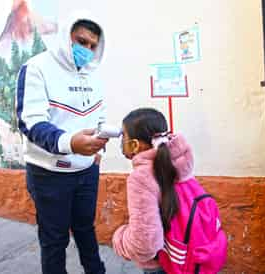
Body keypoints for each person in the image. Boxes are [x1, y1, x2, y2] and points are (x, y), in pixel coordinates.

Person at [15, 11, 107, 274]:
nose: (86, 50)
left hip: (87, 171)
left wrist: (99, 146)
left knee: (86, 230)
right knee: (55, 240)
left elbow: (99, 114)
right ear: (66, 37)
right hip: (49, 174)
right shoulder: (37, 68)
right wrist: (69, 143)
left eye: (92, 45)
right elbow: (30, 122)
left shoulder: (93, 75)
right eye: (81, 41)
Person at [112, 108, 196, 274]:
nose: (121, 142)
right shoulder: (179, 163)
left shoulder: (141, 178)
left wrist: (119, 239)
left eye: (124, 137)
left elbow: (145, 243)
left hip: (161, 263)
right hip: (185, 254)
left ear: (134, 144)